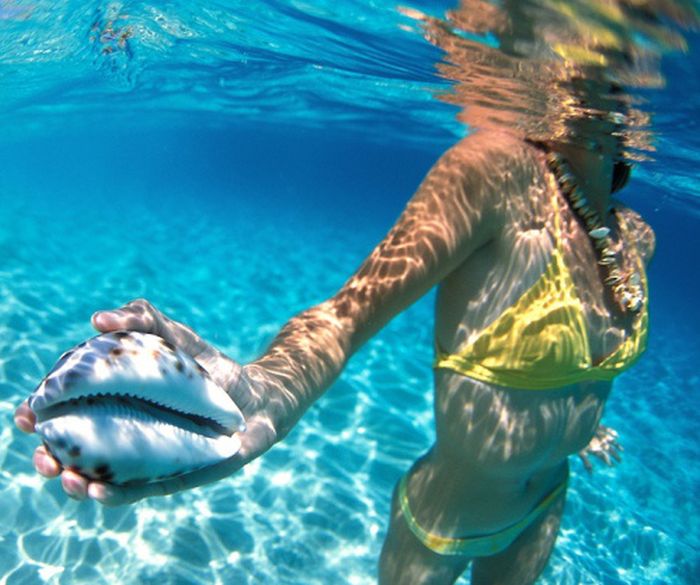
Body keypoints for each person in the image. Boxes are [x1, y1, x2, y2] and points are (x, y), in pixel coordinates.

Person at [15, 1, 692, 583]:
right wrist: (267, 387)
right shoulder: (497, 173)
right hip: (445, 519)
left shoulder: (633, 236)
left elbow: (580, 362)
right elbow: (344, 317)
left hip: (546, 503)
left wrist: (586, 422)